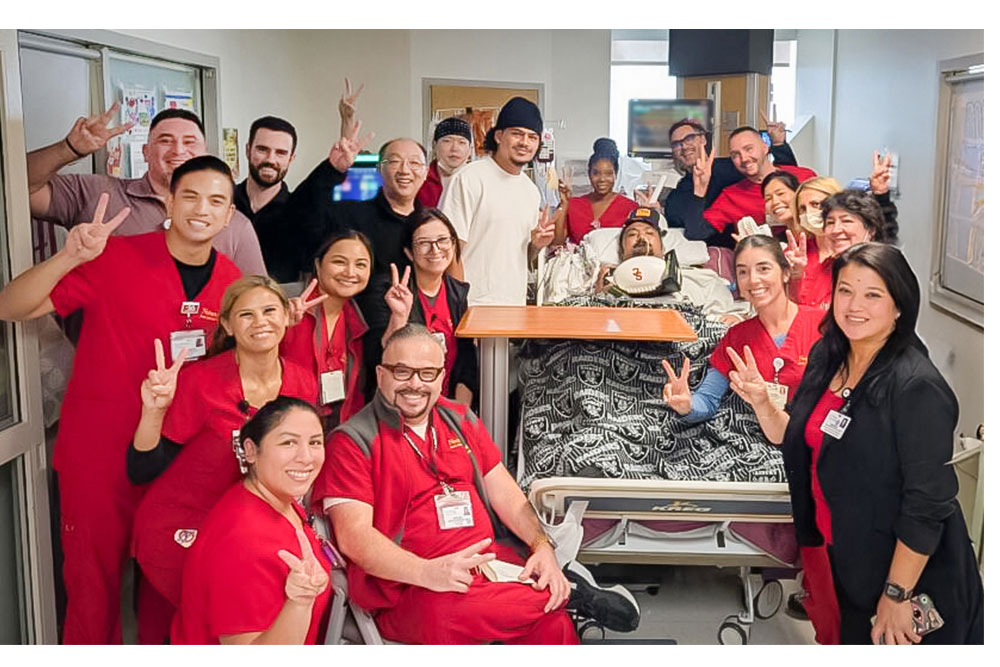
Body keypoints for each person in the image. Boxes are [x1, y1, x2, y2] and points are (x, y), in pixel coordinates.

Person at [0, 155, 243, 644]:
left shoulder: (231, 282)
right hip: (101, 453)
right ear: (168, 202)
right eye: (190, 196)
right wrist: (69, 257)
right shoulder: (114, 257)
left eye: (216, 200)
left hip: (175, 457)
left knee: (169, 586)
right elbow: (11, 306)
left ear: (229, 214)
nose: (202, 209)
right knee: (93, 587)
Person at [319, 324, 639, 644]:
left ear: (442, 377)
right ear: (381, 375)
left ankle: (557, 595)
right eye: (402, 372)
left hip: (491, 571)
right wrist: (427, 572)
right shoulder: (352, 441)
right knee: (450, 615)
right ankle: (570, 594)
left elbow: (508, 496)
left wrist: (542, 546)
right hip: (414, 589)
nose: (415, 384)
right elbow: (354, 538)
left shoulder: (460, 420)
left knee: (553, 626)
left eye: (427, 374)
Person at [738, 243, 984, 644]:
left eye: (873, 295)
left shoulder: (915, 386)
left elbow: (926, 505)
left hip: (901, 570)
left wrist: (897, 593)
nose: (854, 306)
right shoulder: (828, 356)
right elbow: (801, 439)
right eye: (845, 290)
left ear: (899, 305)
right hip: (835, 553)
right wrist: (764, 405)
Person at [128, 276, 318, 644]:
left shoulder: (302, 383)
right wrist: (153, 411)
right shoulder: (200, 383)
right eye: (246, 314)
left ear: (287, 317)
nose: (260, 321)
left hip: (250, 528)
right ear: (228, 326)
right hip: (184, 527)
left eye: (269, 310)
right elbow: (142, 469)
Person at [27, 106, 265, 275]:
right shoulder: (97, 193)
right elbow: (20, 190)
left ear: (205, 152)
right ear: (145, 152)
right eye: (165, 140)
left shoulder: (235, 225)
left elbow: (258, 300)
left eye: (189, 142)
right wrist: (69, 149)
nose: (178, 150)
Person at [172, 397, 332, 644]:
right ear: (250, 451)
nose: (306, 457)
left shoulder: (276, 498)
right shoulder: (242, 540)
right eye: (288, 442)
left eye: (315, 442)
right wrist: (299, 603)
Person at [301, 136, 428, 398]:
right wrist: (331, 171)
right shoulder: (353, 214)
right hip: (354, 338)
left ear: (426, 172)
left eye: (414, 163)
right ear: (380, 170)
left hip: (414, 336)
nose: (405, 170)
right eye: (394, 161)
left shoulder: (427, 223)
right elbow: (306, 222)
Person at [661, 235, 824, 423]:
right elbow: (708, 400)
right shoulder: (737, 336)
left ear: (786, 273)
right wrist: (687, 405)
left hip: (815, 432)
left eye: (763, 269)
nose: (753, 280)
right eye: (743, 272)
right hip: (758, 432)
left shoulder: (822, 324)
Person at [237, 83, 376, 282]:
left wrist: (346, 126)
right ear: (248, 150)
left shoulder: (299, 210)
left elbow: (322, 181)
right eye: (262, 149)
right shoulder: (224, 203)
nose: (270, 159)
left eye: (281, 153)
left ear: (291, 158)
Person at [440, 96, 555, 306]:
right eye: (517, 134)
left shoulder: (530, 191)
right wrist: (459, 306)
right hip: (472, 305)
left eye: (532, 137)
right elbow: (450, 250)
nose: (524, 142)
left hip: (513, 305)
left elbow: (518, 255)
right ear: (499, 135)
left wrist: (536, 246)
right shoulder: (469, 178)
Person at [382, 208, 477, 406]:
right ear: (409, 252)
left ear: (453, 244)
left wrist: (459, 412)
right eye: (424, 243)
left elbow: (466, 362)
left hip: (448, 404)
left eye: (443, 240)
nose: (435, 249)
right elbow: (383, 356)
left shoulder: (458, 293)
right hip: (404, 403)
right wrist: (399, 316)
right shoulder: (390, 291)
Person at [281, 231, 372, 431]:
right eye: (339, 262)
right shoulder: (286, 302)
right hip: (281, 427)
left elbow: (355, 398)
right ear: (318, 265)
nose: (350, 272)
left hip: (332, 432)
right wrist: (278, 324)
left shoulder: (359, 321)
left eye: (361, 265)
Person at [664, 115, 800, 240]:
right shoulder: (679, 195)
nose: (684, 146)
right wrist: (699, 190)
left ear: (703, 139)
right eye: (676, 144)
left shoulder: (732, 166)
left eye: (689, 138)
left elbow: (786, 177)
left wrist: (779, 145)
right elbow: (693, 231)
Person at [679, 126, 817, 246]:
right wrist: (700, 189)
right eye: (735, 155)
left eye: (749, 149)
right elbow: (696, 233)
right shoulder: (732, 196)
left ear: (765, 147)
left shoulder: (804, 176)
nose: (744, 158)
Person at [788, 189, 889, 310]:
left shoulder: (884, 270)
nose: (836, 230)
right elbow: (801, 309)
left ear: (871, 229)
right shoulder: (826, 266)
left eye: (846, 221)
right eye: (830, 223)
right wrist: (796, 278)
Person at [552, 138, 637, 246]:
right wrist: (564, 203)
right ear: (589, 174)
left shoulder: (630, 207)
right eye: (596, 173)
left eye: (608, 174)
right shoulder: (573, 204)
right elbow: (557, 242)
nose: (602, 179)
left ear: (615, 174)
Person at [417, 117, 473, 208]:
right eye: (447, 141)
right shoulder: (420, 178)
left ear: (470, 149)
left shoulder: (477, 180)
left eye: (462, 142)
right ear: (435, 145)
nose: (454, 148)